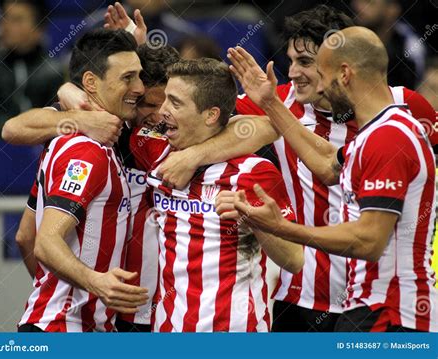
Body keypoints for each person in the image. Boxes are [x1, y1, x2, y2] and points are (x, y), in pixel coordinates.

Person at [155, 5, 437, 332]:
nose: (292, 73)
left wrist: (281, 227)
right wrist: (196, 155)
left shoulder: (403, 113)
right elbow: (323, 163)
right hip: (302, 297)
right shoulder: (285, 102)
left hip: (386, 304)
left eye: (305, 62)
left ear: (340, 69)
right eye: (290, 60)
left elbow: (369, 238)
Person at [134, 58, 303, 332]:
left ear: (211, 115)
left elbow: (293, 260)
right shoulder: (155, 149)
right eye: (165, 99)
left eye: (175, 103)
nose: (162, 111)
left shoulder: (254, 173)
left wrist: (256, 222)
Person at [17, 28, 148, 332]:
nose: (140, 88)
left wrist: (54, 294)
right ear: (90, 82)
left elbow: (24, 235)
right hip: (64, 329)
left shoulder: (79, 141)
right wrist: (93, 283)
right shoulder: (87, 154)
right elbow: (45, 242)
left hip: (71, 325)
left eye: (139, 76)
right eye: (128, 78)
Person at [0, 0, 63, 178]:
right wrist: (23, 132)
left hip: (43, 164)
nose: (7, 26)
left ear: (39, 28)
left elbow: (57, 121)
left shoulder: (52, 71)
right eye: (5, 18)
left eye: (17, 20)